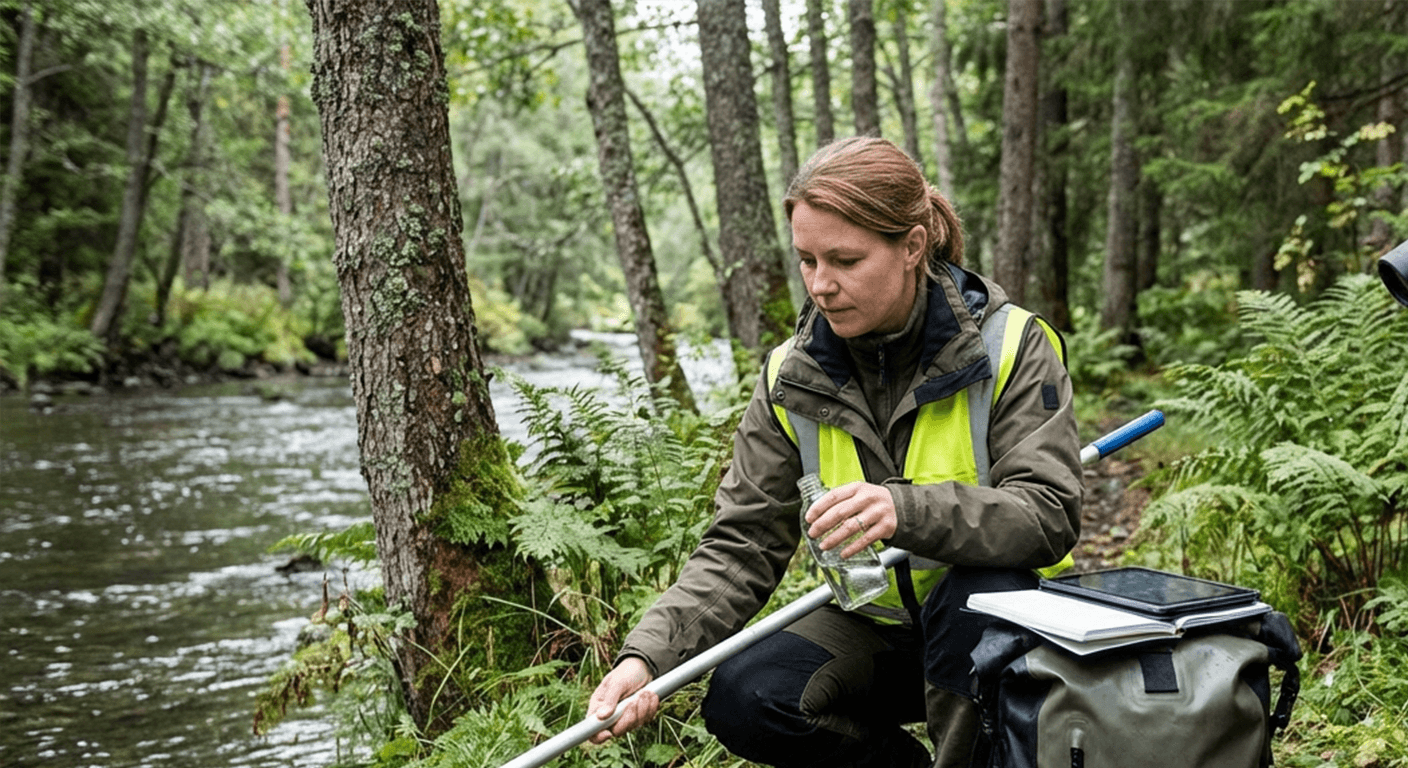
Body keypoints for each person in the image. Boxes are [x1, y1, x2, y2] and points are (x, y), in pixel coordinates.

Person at [586, 136, 1083, 768]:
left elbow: (1047, 517)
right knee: (747, 696)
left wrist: (905, 511)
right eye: (806, 260)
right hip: (879, 635)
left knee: (974, 598)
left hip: (1004, 633)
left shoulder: (1014, 344)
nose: (821, 285)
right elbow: (741, 545)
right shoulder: (789, 376)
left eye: (845, 260)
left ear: (912, 246)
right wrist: (646, 658)